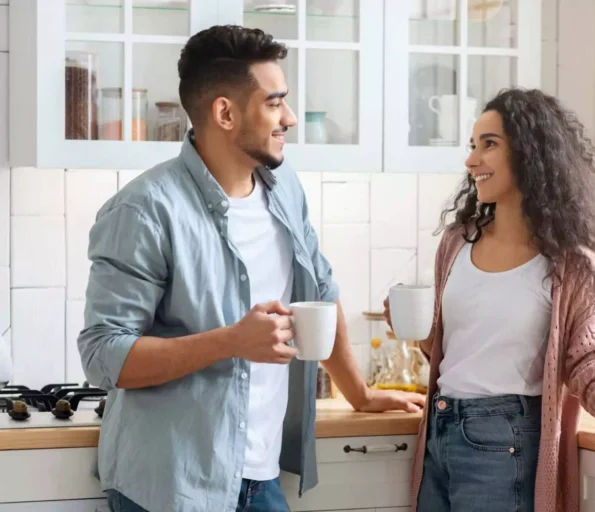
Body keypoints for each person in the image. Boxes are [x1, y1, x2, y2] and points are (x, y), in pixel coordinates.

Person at [78, 25, 424, 512]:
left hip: (259, 481)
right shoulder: (144, 210)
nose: (291, 118)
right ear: (225, 112)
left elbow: (321, 293)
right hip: (172, 485)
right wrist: (232, 342)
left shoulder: (285, 191)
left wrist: (360, 392)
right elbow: (103, 354)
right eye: (274, 102)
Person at [383, 88, 595, 512]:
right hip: (439, 427)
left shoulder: (572, 266)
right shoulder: (456, 242)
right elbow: (453, 353)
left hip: (503, 438)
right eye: (473, 146)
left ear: (529, 153)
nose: (472, 161)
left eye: (489, 145)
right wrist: (415, 329)